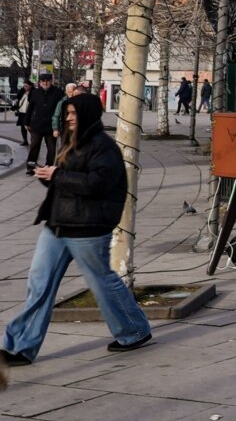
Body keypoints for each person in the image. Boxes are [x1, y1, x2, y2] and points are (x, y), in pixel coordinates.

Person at [2, 93, 154, 365]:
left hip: (88, 227)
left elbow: (97, 184)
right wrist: (49, 176)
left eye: (73, 113)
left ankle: (134, 330)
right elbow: (68, 183)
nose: (68, 117)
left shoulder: (103, 147)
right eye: (67, 113)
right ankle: (20, 346)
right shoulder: (71, 143)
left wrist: (58, 175)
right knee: (39, 285)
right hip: (57, 225)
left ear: (86, 114)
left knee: (102, 281)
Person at [25, 73, 63, 174]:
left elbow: (61, 109)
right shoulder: (36, 92)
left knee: (51, 147)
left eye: (47, 81)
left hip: (51, 126)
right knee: (34, 145)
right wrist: (27, 122)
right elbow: (30, 108)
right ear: (40, 82)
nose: (45, 83)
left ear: (51, 81)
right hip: (37, 125)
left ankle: (48, 166)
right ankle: (30, 166)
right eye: (43, 81)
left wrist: (59, 126)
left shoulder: (58, 92)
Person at [14, 80, 31, 150]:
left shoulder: (33, 92)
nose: (25, 87)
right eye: (24, 86)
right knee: (22, 127)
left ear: (30, 86)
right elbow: (18, 100)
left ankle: (33, 140)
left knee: (29, 127)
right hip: (22, 112)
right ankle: (25, 140)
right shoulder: (22, 92)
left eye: (26, 86)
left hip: (28, 112)